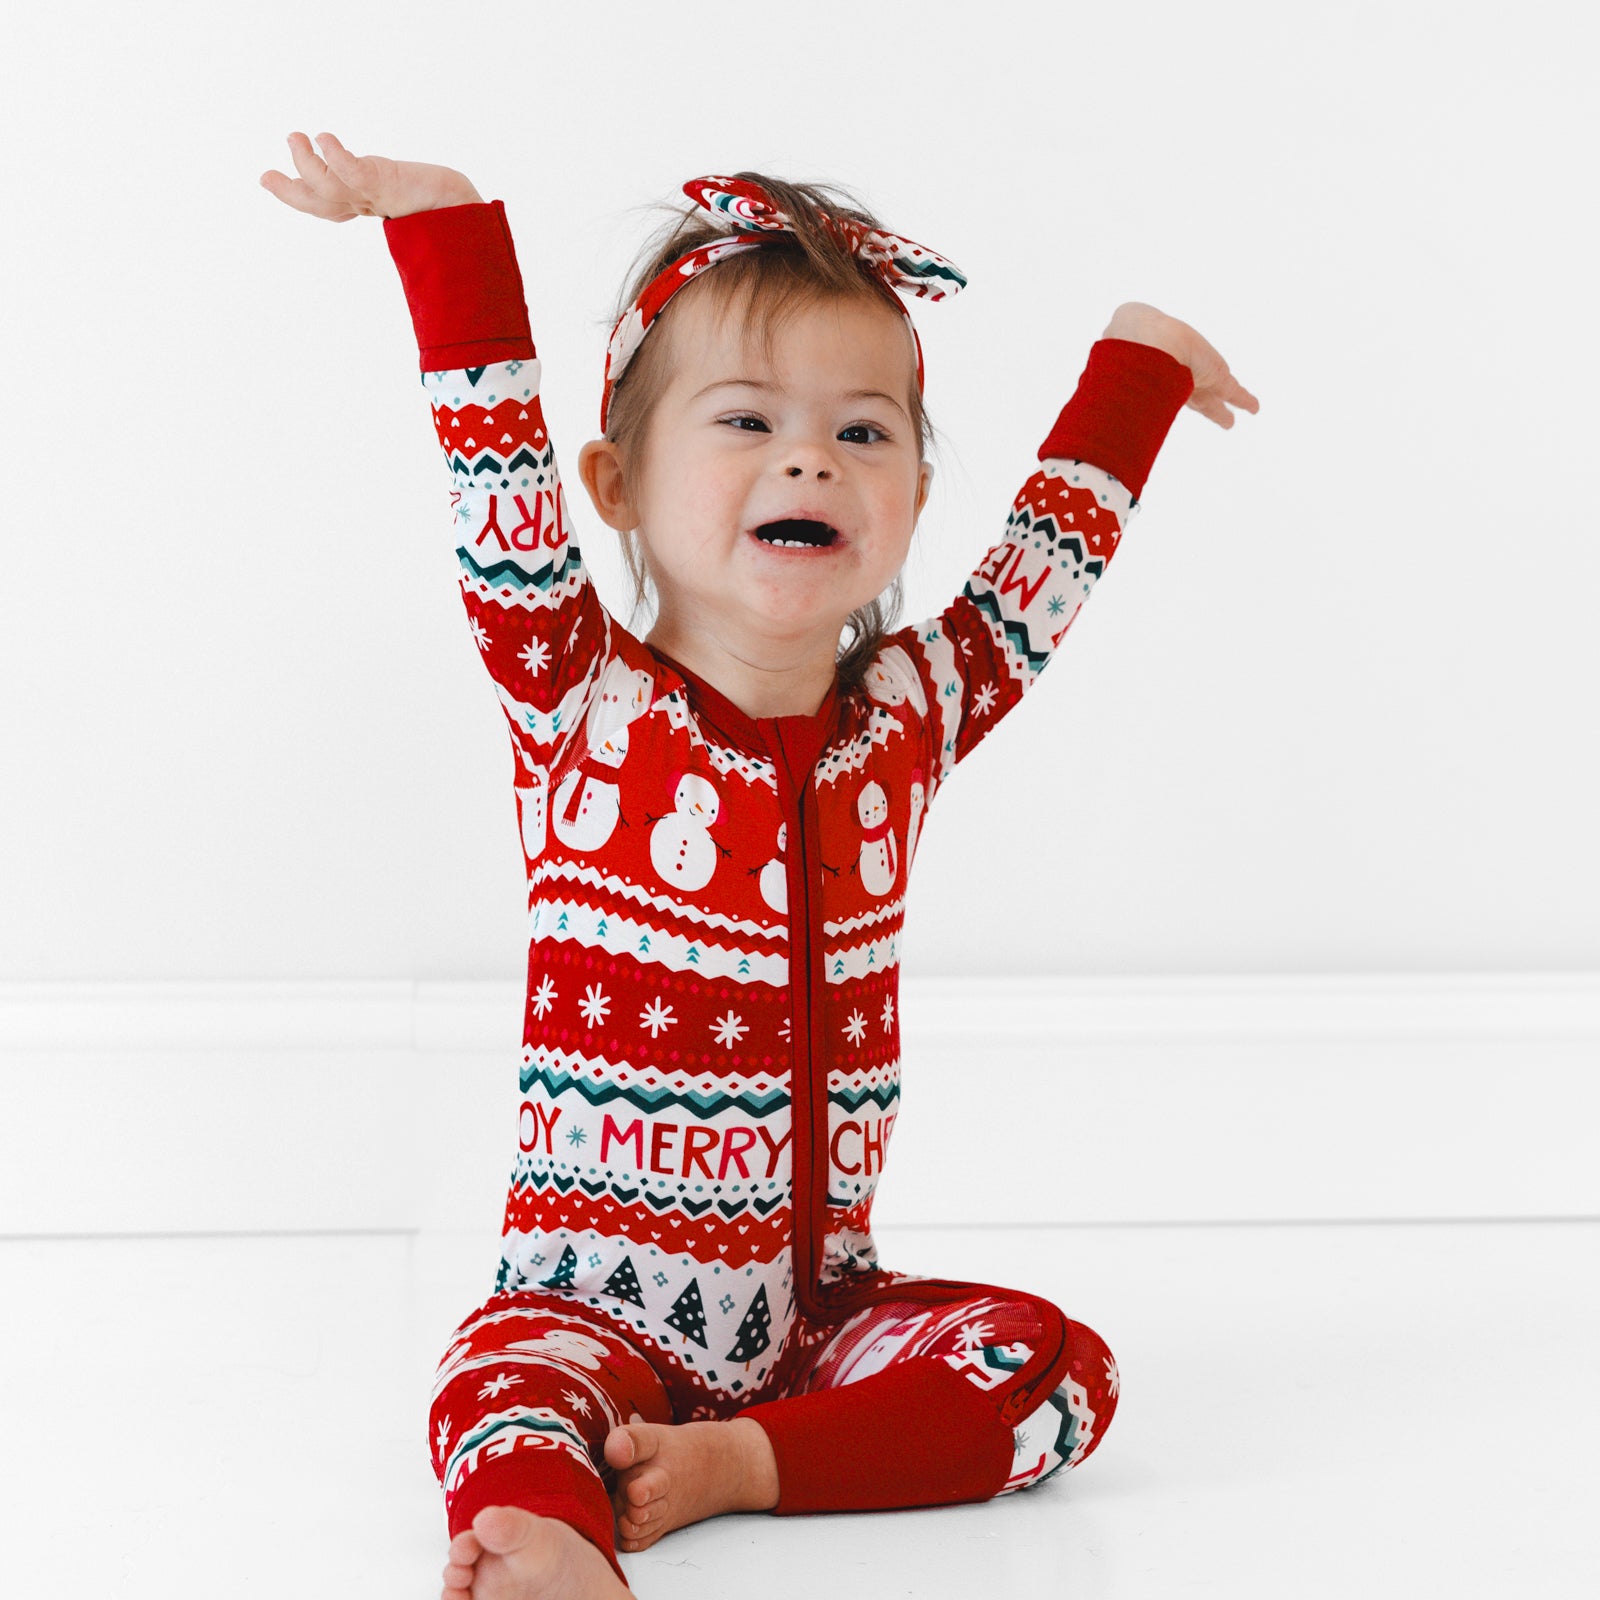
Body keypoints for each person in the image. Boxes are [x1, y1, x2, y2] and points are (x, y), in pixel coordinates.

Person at [261, 130, 1259, 1600]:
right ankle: (550, 1531)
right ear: (616, 481)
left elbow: (1043, 574)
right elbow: (498, 497)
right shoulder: (577, 700)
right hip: (588, 1303)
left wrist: (1143, 366)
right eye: (746, 422)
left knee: (1061, 1373)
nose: (811, 456)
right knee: (499, 1387)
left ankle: (748, 1465)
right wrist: (447, 227)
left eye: (865, 433)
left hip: (820, 1317)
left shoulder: (910, 717)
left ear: (913, 499)